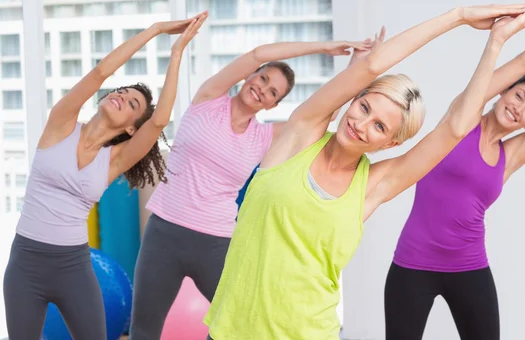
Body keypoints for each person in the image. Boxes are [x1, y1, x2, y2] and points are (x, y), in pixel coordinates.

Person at [203, 0, 525, 340]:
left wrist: (495, 43)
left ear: (391, 144)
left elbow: (456, 128)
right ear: (353, 99)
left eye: (380, 127)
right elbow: (371, 67)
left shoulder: (374, 185)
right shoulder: (301, 134)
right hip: (230, 330)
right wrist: (457, 16)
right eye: (364, 107)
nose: (362, 124)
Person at [129, 37, 368, 338]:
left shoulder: (265, 137)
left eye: (272, 92)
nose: (262, 89)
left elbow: (325, 113)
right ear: (250, 75)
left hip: (217, 244)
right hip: (164, 233)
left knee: (241, 325)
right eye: (263, 78)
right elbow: (258, 53)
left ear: (274, 104)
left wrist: (356, 64)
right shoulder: (209, 97)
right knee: (143, 331)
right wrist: (323, 47)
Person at [384, 17, 525, 340]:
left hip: (470, 266)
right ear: (504, 90)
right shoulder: (463, 116)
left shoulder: (509, 156)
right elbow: (524, 61)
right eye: (519, 96)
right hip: (413, 263)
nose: (520, 109)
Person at [2, 12, 206, 340]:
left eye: (132, 103)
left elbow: (158, 122)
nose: (122, 95)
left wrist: (177, 53)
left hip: (73, 268)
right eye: (123, 91)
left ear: (130, 128)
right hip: (25, 263)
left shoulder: (116, 160)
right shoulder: (61, 124)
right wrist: (154, 30)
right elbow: (100, 72)